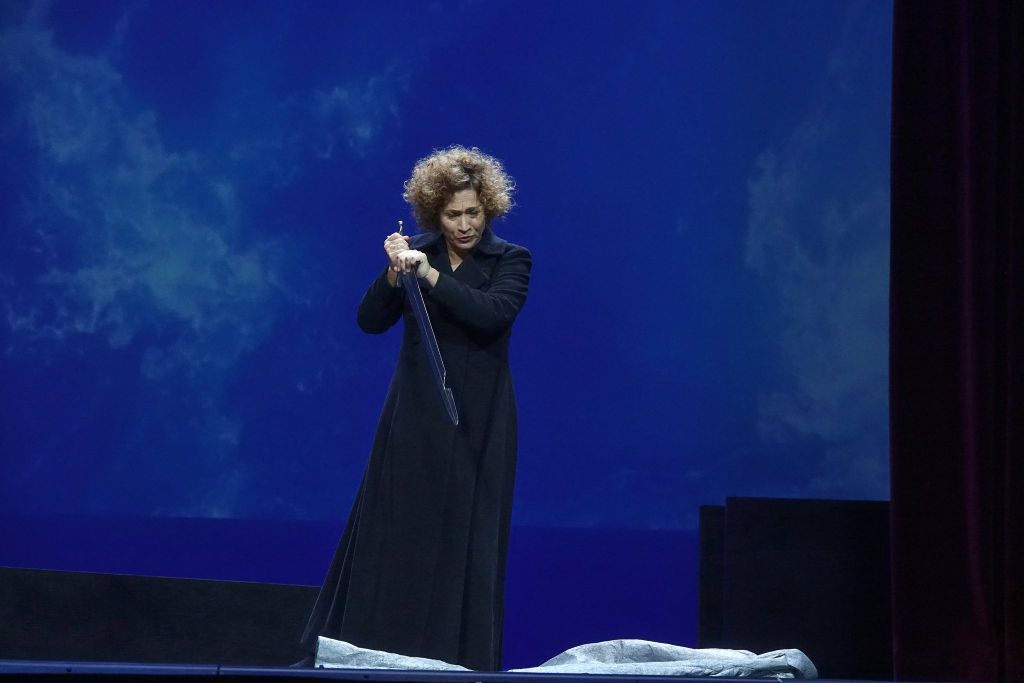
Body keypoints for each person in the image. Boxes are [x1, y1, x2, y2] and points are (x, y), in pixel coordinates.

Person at [297, 146, 531, 671]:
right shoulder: (416, 253)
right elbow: (369, 321)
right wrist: (392, 273)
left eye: (474, 213)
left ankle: (458, 664)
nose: (465, 225)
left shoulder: (511, 260)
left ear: (489, 208)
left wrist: (429, 277)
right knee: (397, 536)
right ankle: (378, 655)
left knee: (465, 542)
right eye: (453, 215)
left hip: (478, 420)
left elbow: (492, 315)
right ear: (433, 213)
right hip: (416, 415)